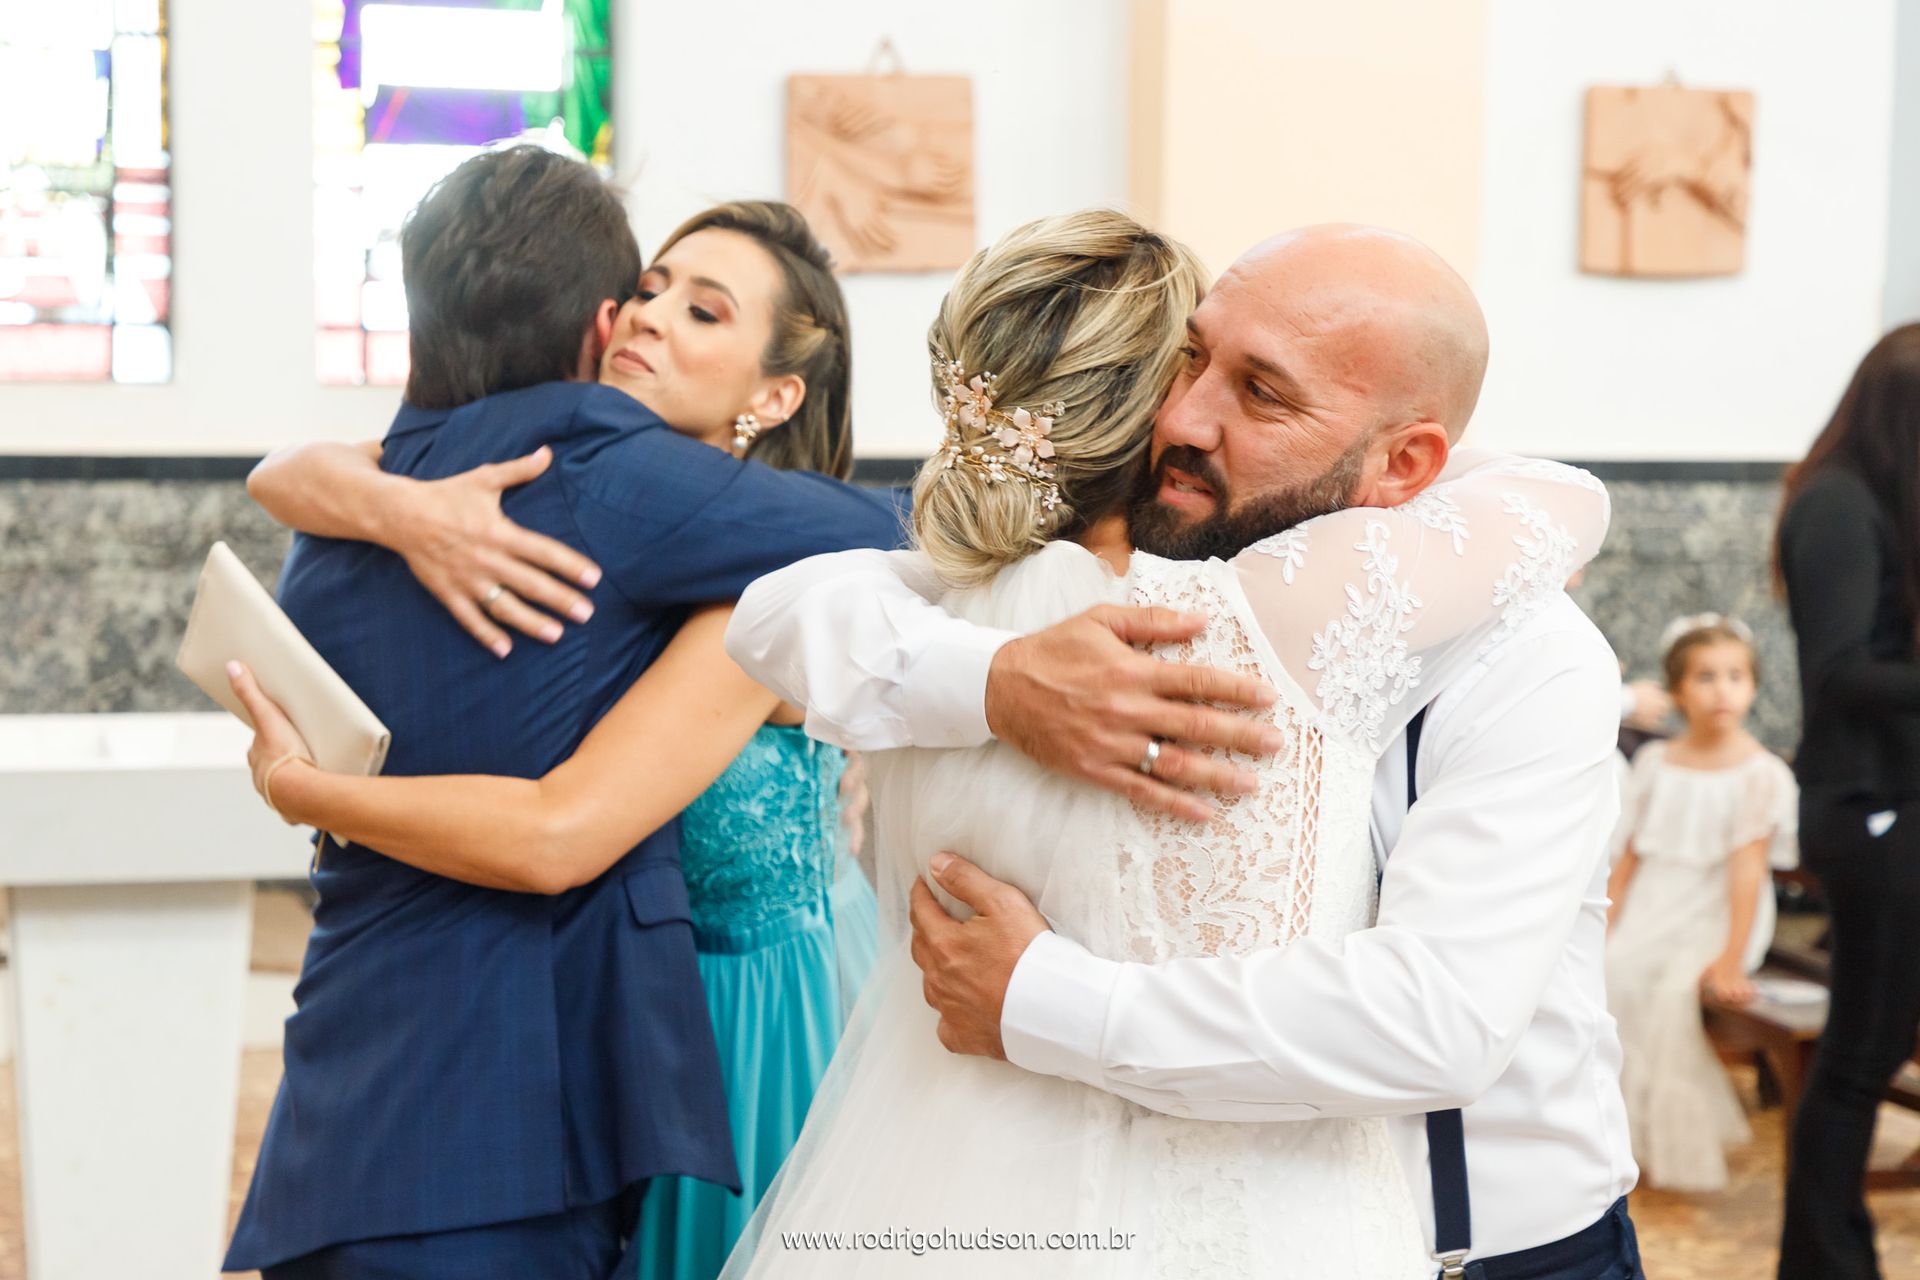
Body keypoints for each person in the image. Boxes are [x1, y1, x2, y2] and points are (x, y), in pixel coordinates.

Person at [721, 218, 1623, 1278]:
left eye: (1262, 392)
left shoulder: (1529, 655)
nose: (1184, 416)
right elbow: (791, 610)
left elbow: (1436, 1015)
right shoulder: (1090, 599)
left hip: (1491, 1242)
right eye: (1189, 356)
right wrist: (997, 683)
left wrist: (1041, 996)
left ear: (1407, 464)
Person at [221, 154, 904, 1280]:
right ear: (598, 316)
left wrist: (354, 497)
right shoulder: (511, 490)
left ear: (775, 391)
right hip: (574, 1078)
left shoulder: (743, 578)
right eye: (651, 289)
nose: (651, 321)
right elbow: (292, 468)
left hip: (745, 1036)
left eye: (703, 308)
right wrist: (369, 495)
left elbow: (897, 537)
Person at [1776, 323, 1920, 1280]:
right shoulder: (1836, 503)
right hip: (1867, 807)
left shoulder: (1883, 499)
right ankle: (1829, 1265)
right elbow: (1839, 675)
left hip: (1896, 802)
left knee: (1876, 1041)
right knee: (1862, 1053)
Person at [1605, 614, 1796, 1192]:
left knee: (1664, 992)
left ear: (1754, 686)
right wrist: (1603, 924)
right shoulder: (1656, 762)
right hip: (1654, 901)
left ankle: (1666, 1144)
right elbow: (1631, 857)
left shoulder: (1760, 774)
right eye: (1706, 676)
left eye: (1736, 676)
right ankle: (1617, 1140)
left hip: (1718, 912)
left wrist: (1731, 958)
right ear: (1677, 689)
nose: (1722, 690)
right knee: (1610, 973)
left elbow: (1746, 871)